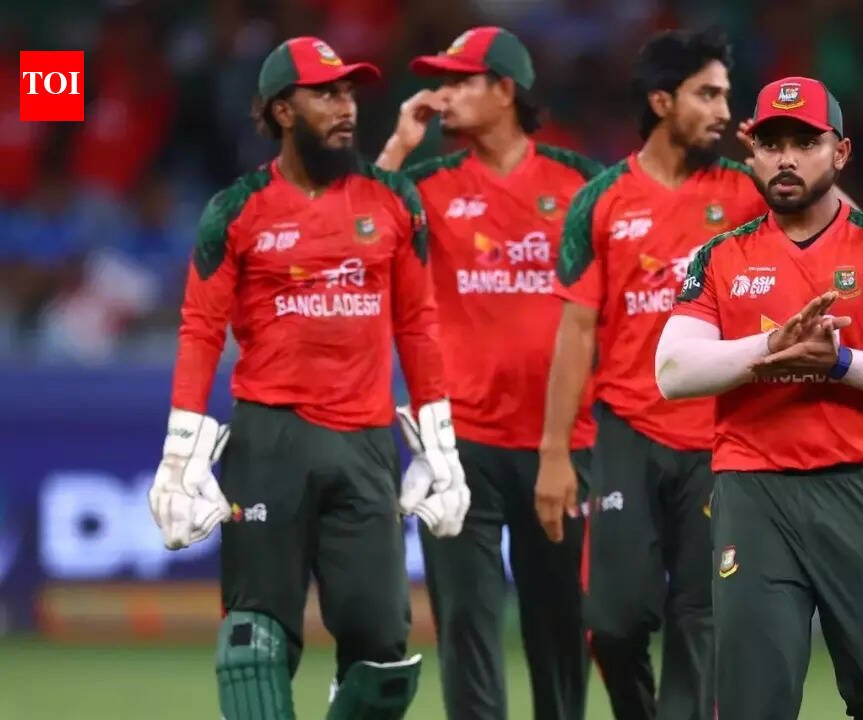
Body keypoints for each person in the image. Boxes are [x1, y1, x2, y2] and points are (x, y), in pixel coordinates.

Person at [148, 36, 468, 720]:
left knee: (383, 656)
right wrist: (179, 454)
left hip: (366, 445)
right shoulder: (237, 208)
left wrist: (440, 445)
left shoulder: (394, 200)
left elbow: (418, 325)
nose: (345, 106)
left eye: (348, 92)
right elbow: (200, 329)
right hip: (270, 442)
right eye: (325, 94)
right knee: (252, 642)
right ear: (282, 111)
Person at [655, 75, 863, 720]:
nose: (786, 158)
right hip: (754, 494)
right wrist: (771, 347)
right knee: (753, 703)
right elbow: (673, 371)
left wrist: (839, 362)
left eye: (804, 142)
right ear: (753, 155)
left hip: (862, 487)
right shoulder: (719, 256)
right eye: (771, 144)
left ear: (839, 153)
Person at [536, 26, 766, 720]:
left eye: (725, 94)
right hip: (628, 432)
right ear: (662, 101)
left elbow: (846, 235)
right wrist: (554, 454)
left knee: (702, 618)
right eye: (707, 94)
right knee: (612, 621)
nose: (724, 110)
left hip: (720, 436)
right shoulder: (602, 199)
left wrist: (786, 171)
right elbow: (576, 331)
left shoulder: (748, 194)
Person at [375, 26, 602, 720]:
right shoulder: (425, 185)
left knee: (560, 630)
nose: (442, 94)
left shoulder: (582, 183)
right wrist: (397, 147)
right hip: (458, 444)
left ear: (506, 90)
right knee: (467, 628)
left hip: (562, 445)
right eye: (440, 80)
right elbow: (352, 238)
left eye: (460, 80)